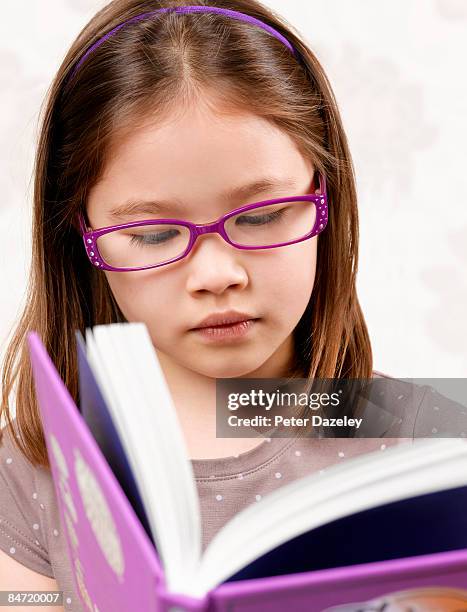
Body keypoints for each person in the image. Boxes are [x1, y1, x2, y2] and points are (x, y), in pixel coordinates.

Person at [1, 2, 465, 610]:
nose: (217, 275)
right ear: (82, 239)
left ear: (327, 200)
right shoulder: (28, 474)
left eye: (264, 216)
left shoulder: (424, 451)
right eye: (154, 235)